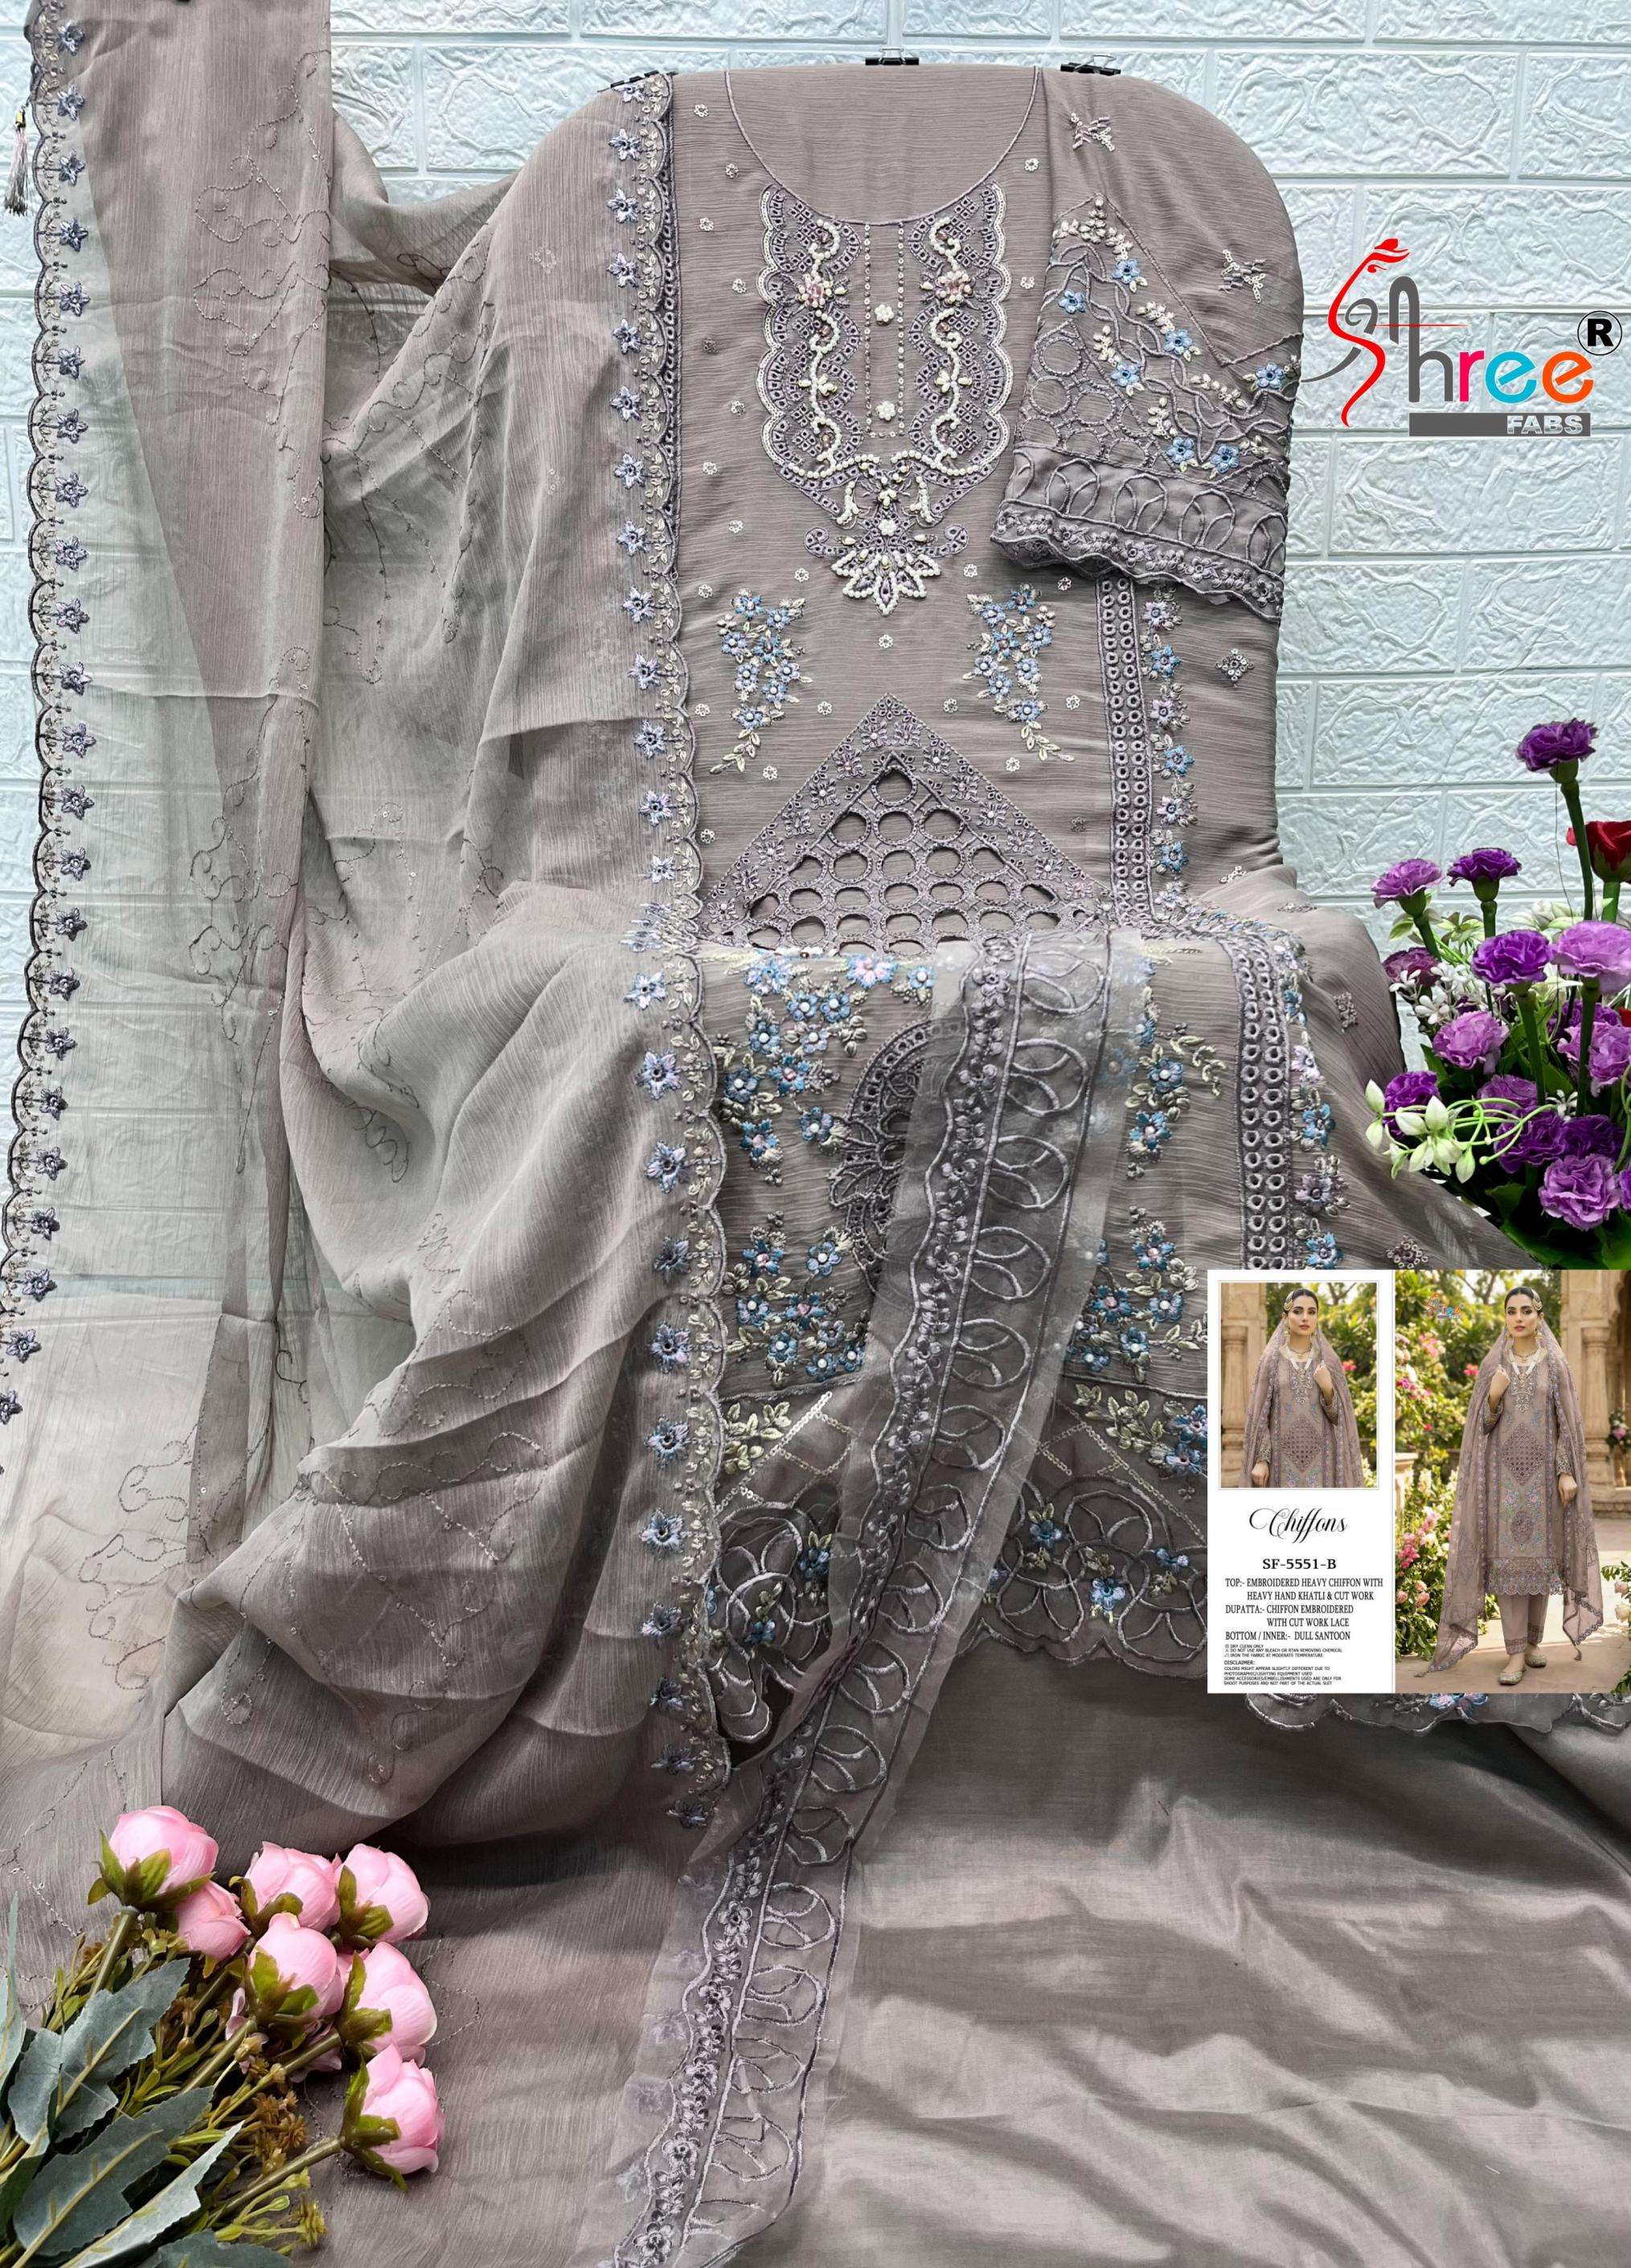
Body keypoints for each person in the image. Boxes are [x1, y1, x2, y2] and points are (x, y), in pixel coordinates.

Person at [1432, 1285, 1603, 1684]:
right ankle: (1513, 1654)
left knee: (1540, 1564)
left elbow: (1566, 1423)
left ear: (1539, 1316)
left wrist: (1565, 1471)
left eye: (1526, 1310)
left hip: (1544, 1483)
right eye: (1512, 1311)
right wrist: (1493, 1397)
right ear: (1505, 1318)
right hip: (1504, 1484)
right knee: (1509, 1564)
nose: (1519, 1318)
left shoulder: (1554, 1364)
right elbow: (1481, 1427)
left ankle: (1531, 1643)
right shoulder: (1494, 1364)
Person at [1240, 1288, 1366, 1488]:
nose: (1305, 1317)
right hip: (1280, 1466)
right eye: (1298, 1311)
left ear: (1317, 1318)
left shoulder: (1329, 1361)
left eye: (1311, 1312)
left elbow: (1340, 1419)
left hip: (1322, 1467)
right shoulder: (1271, 1361)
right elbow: (1261, 1414)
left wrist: (1328, 1389)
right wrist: (1262, 1459)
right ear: (1285, 1317)